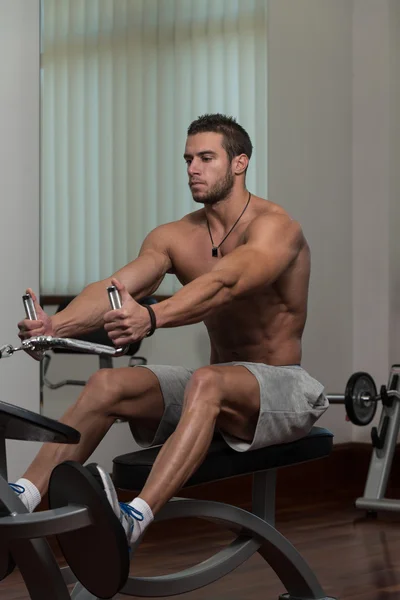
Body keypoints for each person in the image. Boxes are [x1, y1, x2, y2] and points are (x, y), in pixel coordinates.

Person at [14, 113, 328, 545]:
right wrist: (53, 326)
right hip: (215, 386)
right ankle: (22, 499)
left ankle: (131, 521)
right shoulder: (177, 236)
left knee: (208, 380)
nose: (192, 169)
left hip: (283, 389)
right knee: (107, 385)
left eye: (205, 158)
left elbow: (225, 283)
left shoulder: (275, 228)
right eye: (187, 160)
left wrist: (154, 316)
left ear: (240, 163)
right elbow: (118, 287)